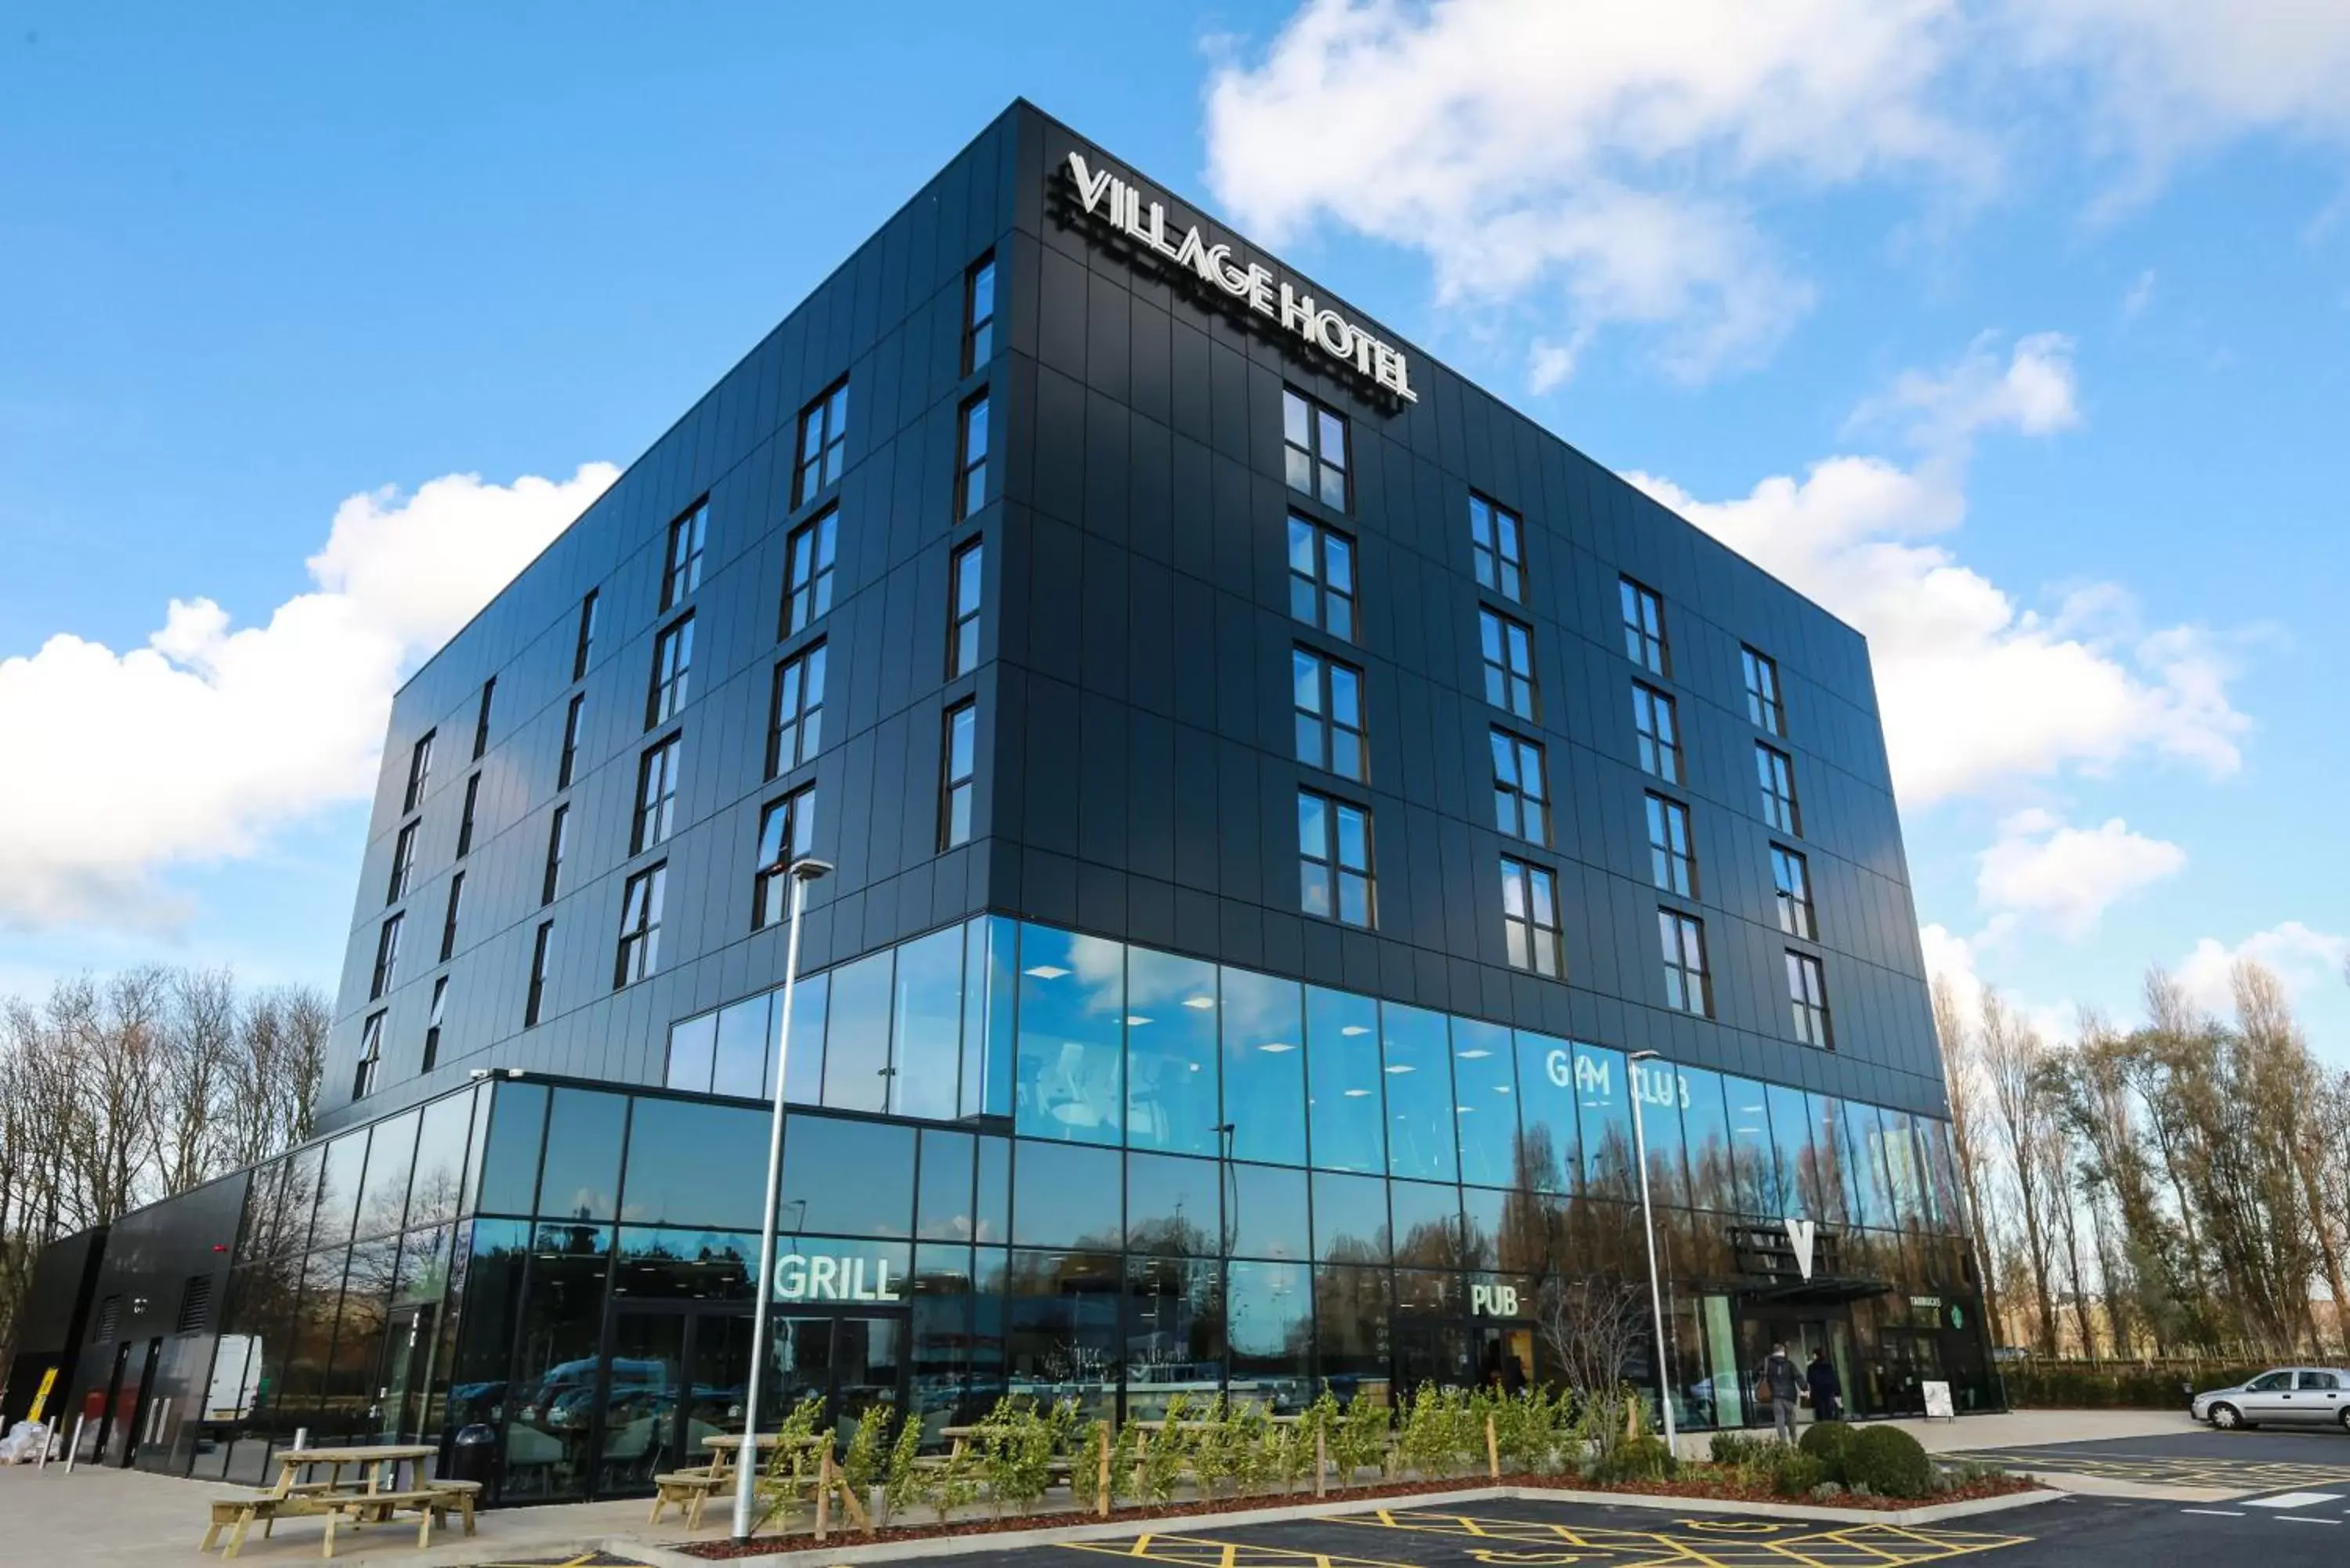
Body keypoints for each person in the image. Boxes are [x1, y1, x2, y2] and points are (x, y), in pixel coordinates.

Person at [1761, 1342, 1801, 1443]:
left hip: (1775, 1394)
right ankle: (1794, 1438)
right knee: (1791, 1417)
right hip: (1789, 1395)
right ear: (1783, 1351)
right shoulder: (1789, 1364)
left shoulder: (1767, 1363)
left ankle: (1783, 1442)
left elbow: (1754, 1371)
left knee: (1779, 1418)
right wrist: (1805, 1388)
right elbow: (1798, 1376)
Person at [1807, 1349, 1842, 1422]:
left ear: (1815, 1355)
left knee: (1820, 1411)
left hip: (1817, 1392)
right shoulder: (1829, 1366)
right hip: (1829, 1391)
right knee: (1829, 1410)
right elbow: (1834, 1379)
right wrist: (1837, 1392)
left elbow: (1810, 1380)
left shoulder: (1812, 1367)